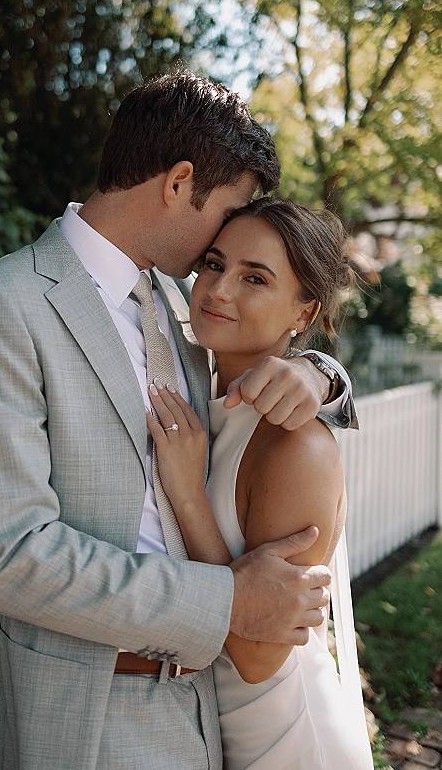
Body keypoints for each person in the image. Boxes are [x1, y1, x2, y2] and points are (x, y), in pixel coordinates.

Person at [0, 70, 355, 770]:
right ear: (179, 181)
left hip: (207, 714)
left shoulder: (181, 300)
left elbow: (256, 371)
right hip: (88, 715)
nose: (227, 238)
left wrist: (323, 373)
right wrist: (226, 601)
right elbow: (7, 554)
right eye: (230, 207)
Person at [146, 196, 373, 769]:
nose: (219, 290)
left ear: (303, 314)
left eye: (255, 278)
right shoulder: (202, 390)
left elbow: (258, 656)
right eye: (215, 264)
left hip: (290, 743)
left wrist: (189, 499)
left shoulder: (297, 446)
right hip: (209, 733)